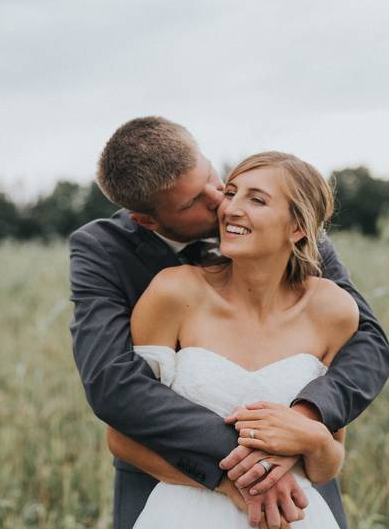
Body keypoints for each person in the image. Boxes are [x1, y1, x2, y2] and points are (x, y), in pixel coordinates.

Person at [69, 117, 389, 528]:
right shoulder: (106, 252)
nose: (222, 201)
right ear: (148, 220)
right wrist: (243, 467)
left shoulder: (293, 233)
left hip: (294, 498)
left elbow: (369, 343)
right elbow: (113, 384)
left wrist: (303, 424)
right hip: (173, 484)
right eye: (192, 203)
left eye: (213, 177)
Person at [110, 151, 355, 528]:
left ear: (297, 228)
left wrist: (312, 438)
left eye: (256, 200)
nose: (230, 209)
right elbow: (122, 438)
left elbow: (328, 464)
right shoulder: (174, 293)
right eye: (232, 193)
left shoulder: (334, 310)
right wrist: (227, 483)